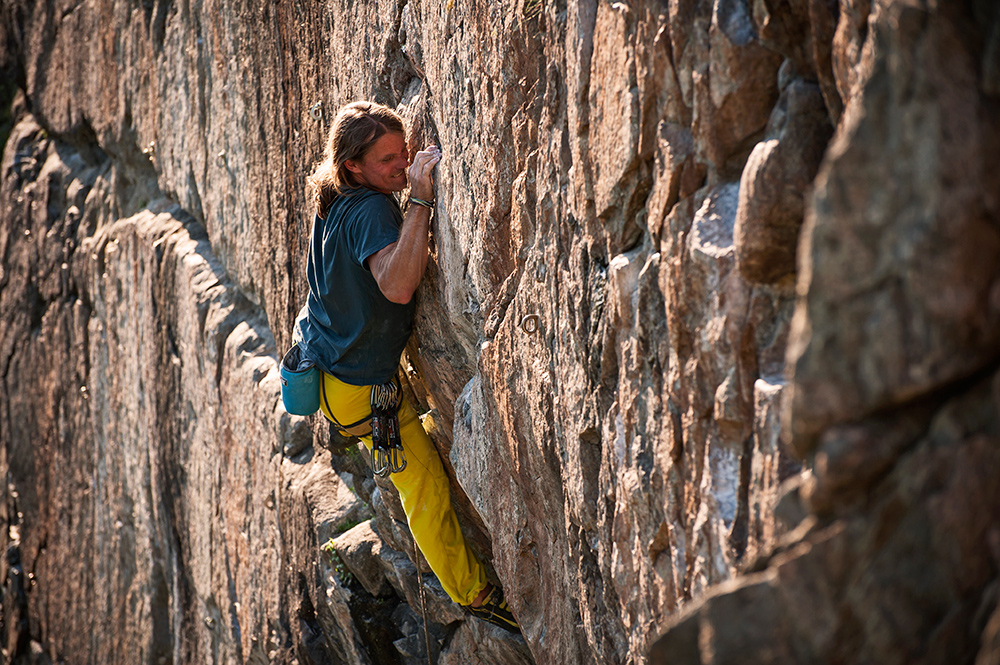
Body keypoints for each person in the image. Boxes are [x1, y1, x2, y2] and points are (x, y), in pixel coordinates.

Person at [293, 101, 519, 634]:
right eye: (388, 159)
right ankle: (474, 594)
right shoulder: (372, 208)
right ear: (354, 166)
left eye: (405, 153)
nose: (403, 164)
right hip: (358, 387)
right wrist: (419, 199)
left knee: (418, 473)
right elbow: (397, 285)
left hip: (333, 369)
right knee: (422, 485)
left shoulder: (333, 199)